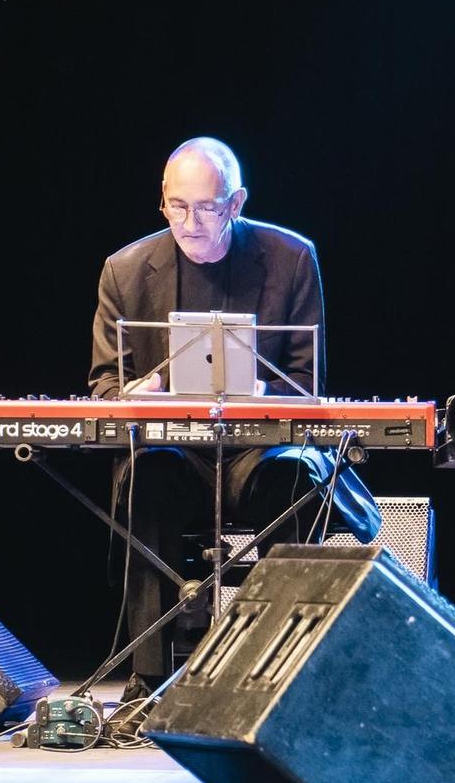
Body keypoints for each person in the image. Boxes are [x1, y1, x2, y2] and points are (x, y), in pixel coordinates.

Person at [89, 136, 377, 679]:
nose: (190, 221)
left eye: (206, 207)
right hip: (175, 452)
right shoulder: (124, 271)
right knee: (147, 473)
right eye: (177, 206)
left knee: (294, 474)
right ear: (162, 199)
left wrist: (264, 394)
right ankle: (147, 677)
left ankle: (278, 672)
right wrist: (135, 395)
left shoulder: (291, 259)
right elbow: (104, 385)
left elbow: (308, 382)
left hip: (260, 452)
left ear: (236, 203)